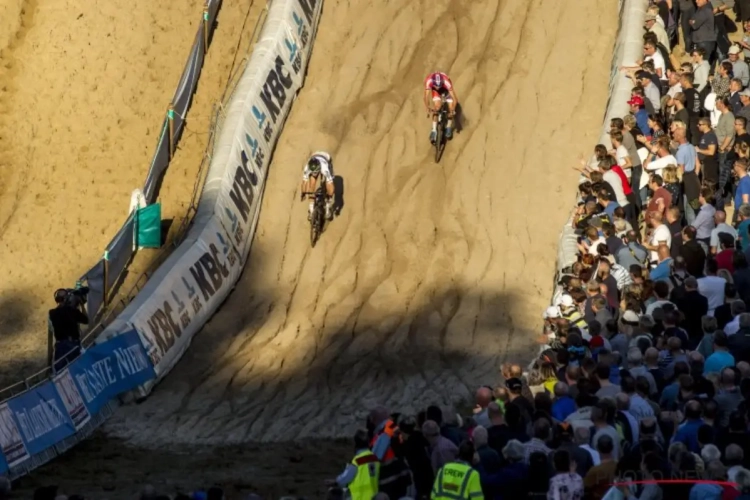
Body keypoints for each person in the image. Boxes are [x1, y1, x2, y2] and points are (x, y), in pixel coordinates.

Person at [329, 429, 380, 499]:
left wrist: (335, 481)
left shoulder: (357, 461)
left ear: (355, 444)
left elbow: (344, 480)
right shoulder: (374, 458)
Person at [48, 288, 89, 372]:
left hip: (59, 347)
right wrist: (82, 305)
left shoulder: (52, 313)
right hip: (72, 345)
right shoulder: (72, 311)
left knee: (61, 373)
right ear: (66, 298)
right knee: (78, 371)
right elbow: (86, 320)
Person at [423, 71, 459, 143]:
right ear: (433, 83)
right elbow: (425, 97)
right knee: (436, 108)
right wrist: (427, 107)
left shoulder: (446, 82)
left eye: (439, 85)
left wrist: (453, 110)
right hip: (435, 91)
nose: (438, 87)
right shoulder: (429, 81)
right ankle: (434, 130)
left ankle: (448, 127)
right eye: (437, 86)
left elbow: (455, 99)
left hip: (446, 89)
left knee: (451, 107)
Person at [300, 152, 335, 221]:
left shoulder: (325, 168)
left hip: (326, 159)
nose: (315, 174)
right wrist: (303, 193)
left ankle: (327, 208)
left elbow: (331, 184)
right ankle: (311, 210)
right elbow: (304, 183)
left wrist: (330, 195)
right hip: (315, 157)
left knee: (328, 185)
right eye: (313, 172)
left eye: (316, 172)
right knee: (311, 186)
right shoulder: (307, 168)